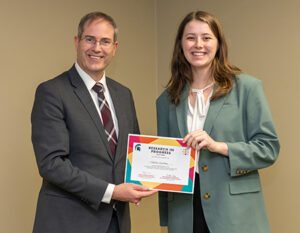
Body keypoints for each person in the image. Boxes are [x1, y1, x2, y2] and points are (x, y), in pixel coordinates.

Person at [31, 11, 156, 233]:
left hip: (116, 222)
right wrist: (113, 192)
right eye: (90, 39)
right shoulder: (52, 92)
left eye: (105, 41)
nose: (97, 48)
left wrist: (164, 170)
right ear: (77, 42)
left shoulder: (124, 94)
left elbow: (134, 154)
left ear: (114, 48)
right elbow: (51, 164)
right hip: (68, 222)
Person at [156, 10, 280, 233]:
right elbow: (166, 161)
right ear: (181, 44)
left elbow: (269, 148)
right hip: (185, 214)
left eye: (206, 37)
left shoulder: (246, 88)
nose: (198, 44)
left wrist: (218, 146)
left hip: (235, 213)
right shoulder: (166, 100)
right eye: (190, 37)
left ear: (218, 43)